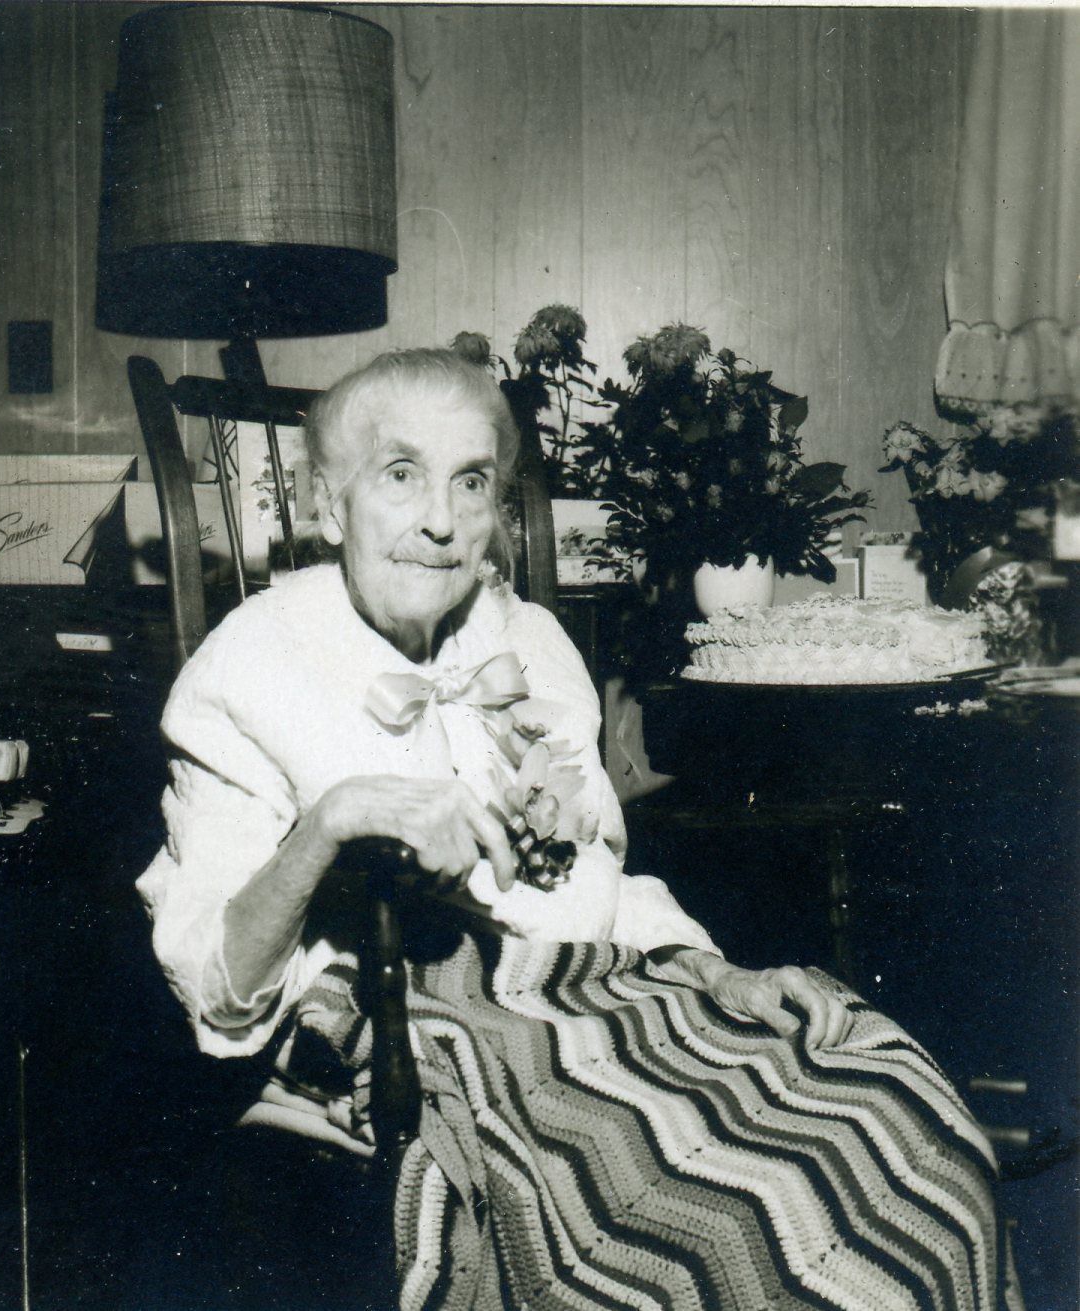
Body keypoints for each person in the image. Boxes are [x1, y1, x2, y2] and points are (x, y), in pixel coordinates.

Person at [137, 349, 1004, 1311]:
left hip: (597, 1000)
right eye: (400, 475)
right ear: (326, 504)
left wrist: (717, 972)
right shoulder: (247, 670)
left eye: (472, 481)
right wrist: (333, 820)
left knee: (912, 1121)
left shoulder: (530, 643)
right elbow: (220, 993)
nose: (441, 520)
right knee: (743, 1236)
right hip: (433, 1035)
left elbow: (596, 878)